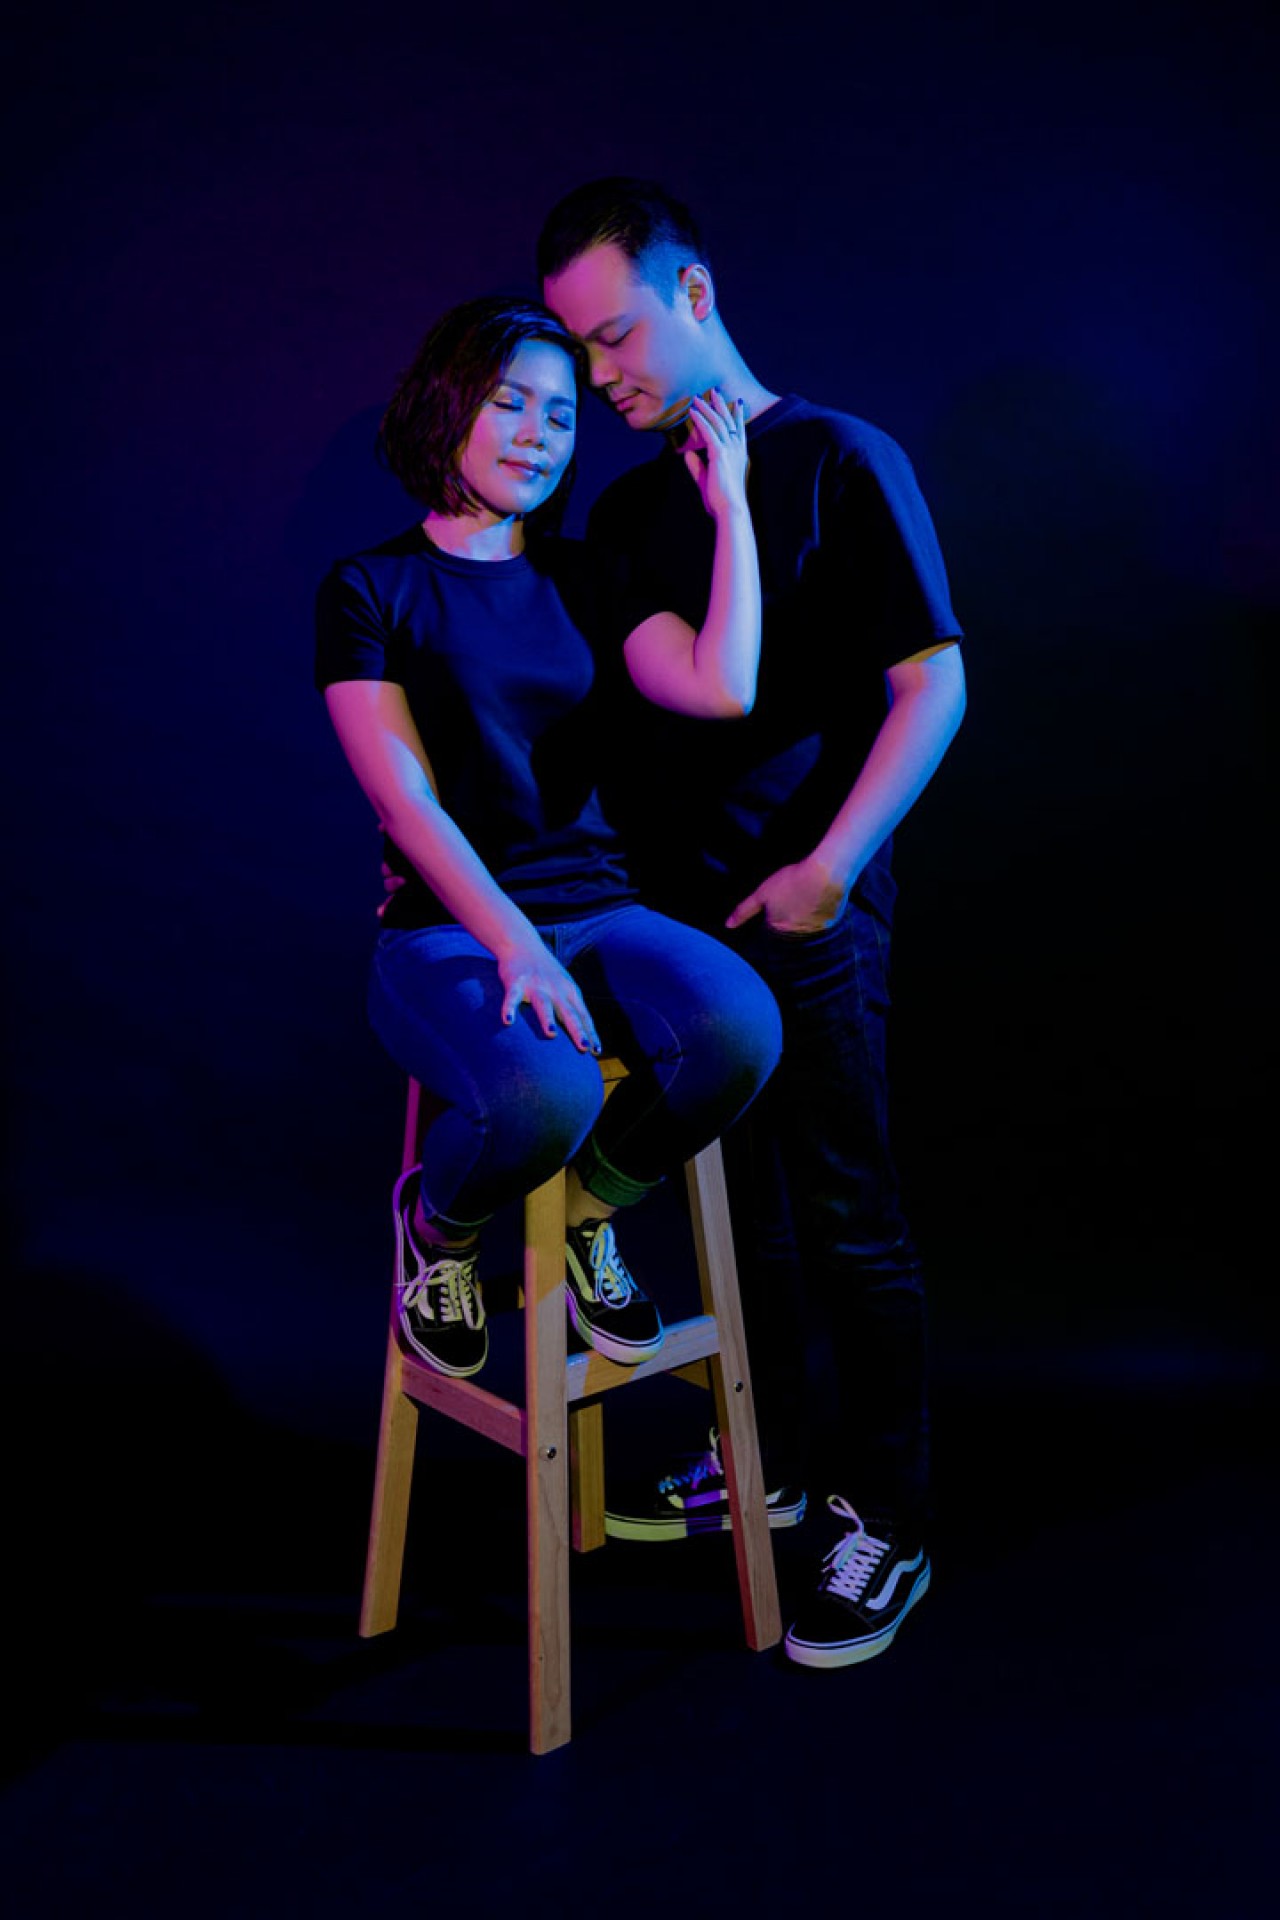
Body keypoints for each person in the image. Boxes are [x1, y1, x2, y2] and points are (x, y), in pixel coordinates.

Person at [536, 179, 967, 1670]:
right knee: (737, 1218)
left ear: (695, 293)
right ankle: (770, 1460)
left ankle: (883, 1518)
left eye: (614, 335)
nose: (599, 376)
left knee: (843, 1208)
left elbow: (932, 684)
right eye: (577, 353)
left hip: (810, 908)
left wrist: (832, 865)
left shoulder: (840, 457)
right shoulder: (625, 510)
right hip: (678, 925)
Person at [316, 294, 781, 1385]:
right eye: (509, 403)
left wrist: (733, 510)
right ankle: (438, 1232)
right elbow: (408, 804)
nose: (539, 434)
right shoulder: (371, 589)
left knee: (738, 1028)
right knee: (546, 1094)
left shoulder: (588, 575)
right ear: (447, 405)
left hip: (599, 910)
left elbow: (723, 686)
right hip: (444, 933)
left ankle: (585, 1216)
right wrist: (516, 945)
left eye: (562, 415)